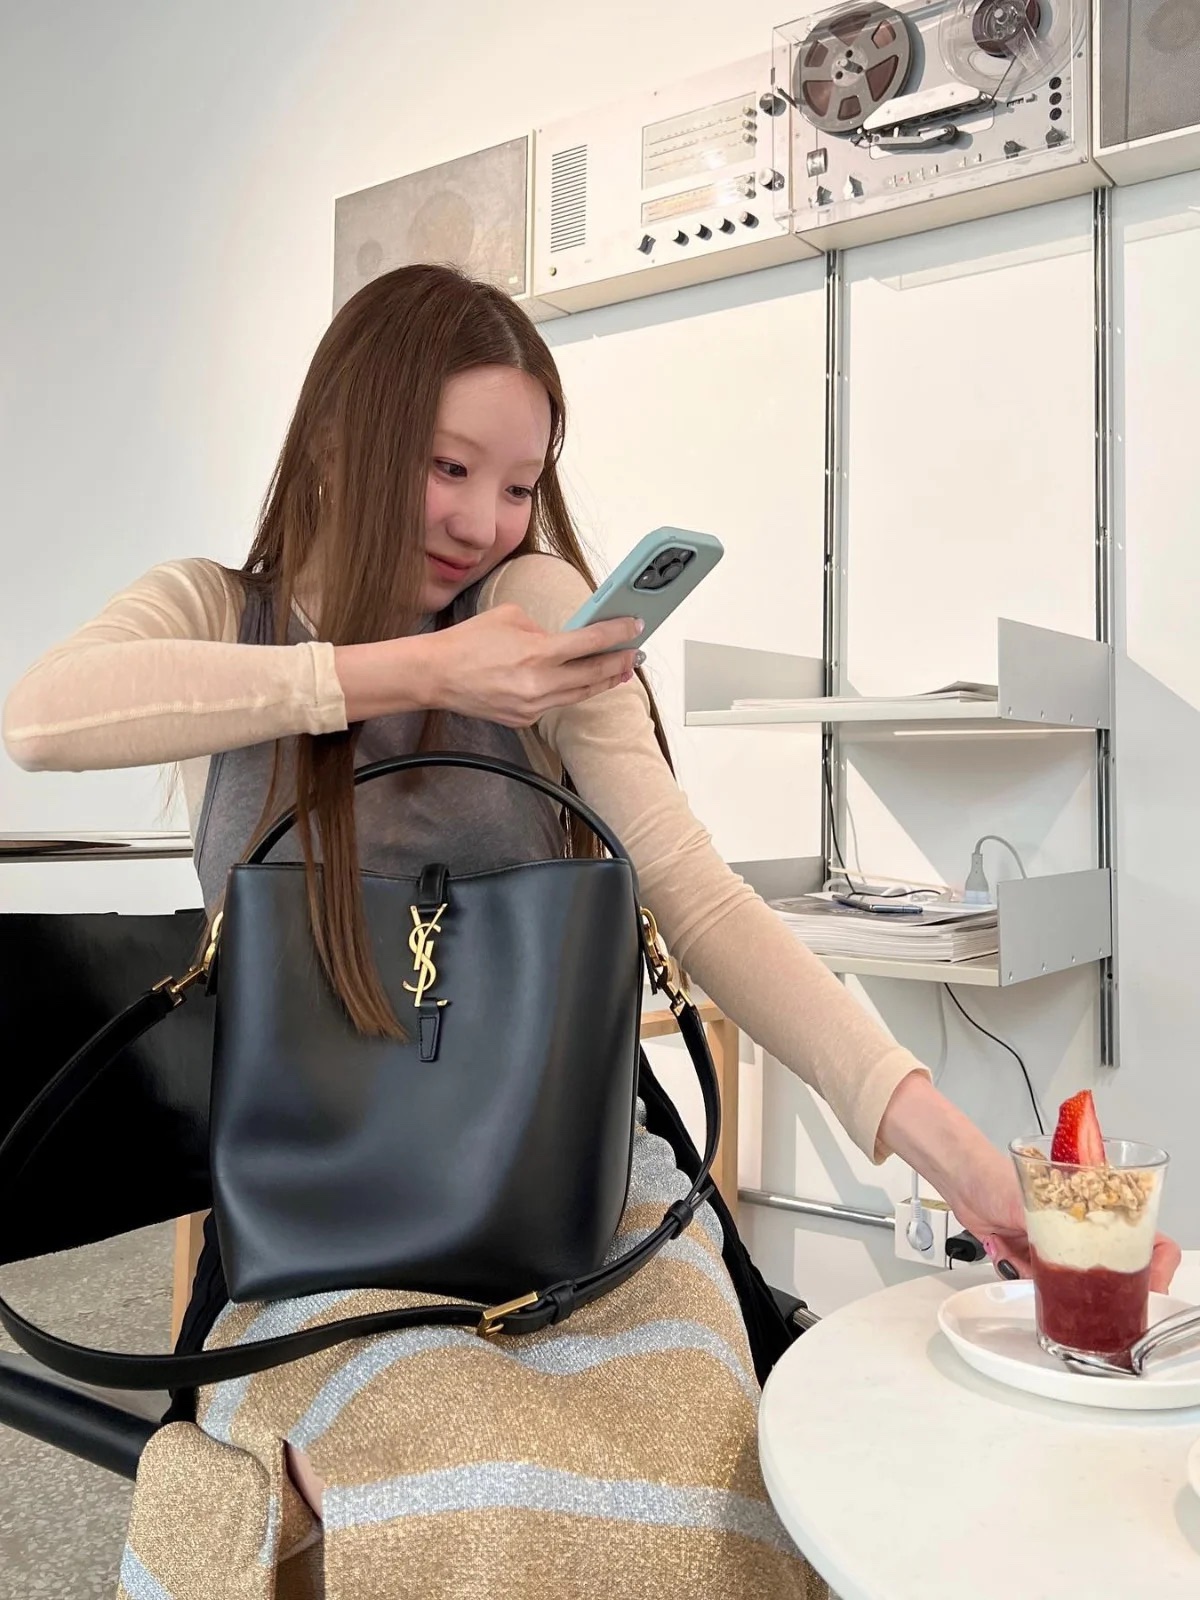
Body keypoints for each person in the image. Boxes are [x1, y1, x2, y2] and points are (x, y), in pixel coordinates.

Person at [3, 264, 1177, 1600]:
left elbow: (699, 897)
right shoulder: (222, 613)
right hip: (321, 1207)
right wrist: (421, 670)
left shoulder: (537, 606)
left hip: (578, 1188)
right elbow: (44, 718)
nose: (484, 521)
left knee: (705, 1483)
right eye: (449, 467)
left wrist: (965, 1164)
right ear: (340, 437)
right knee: (457, 1498)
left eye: (519, 482)